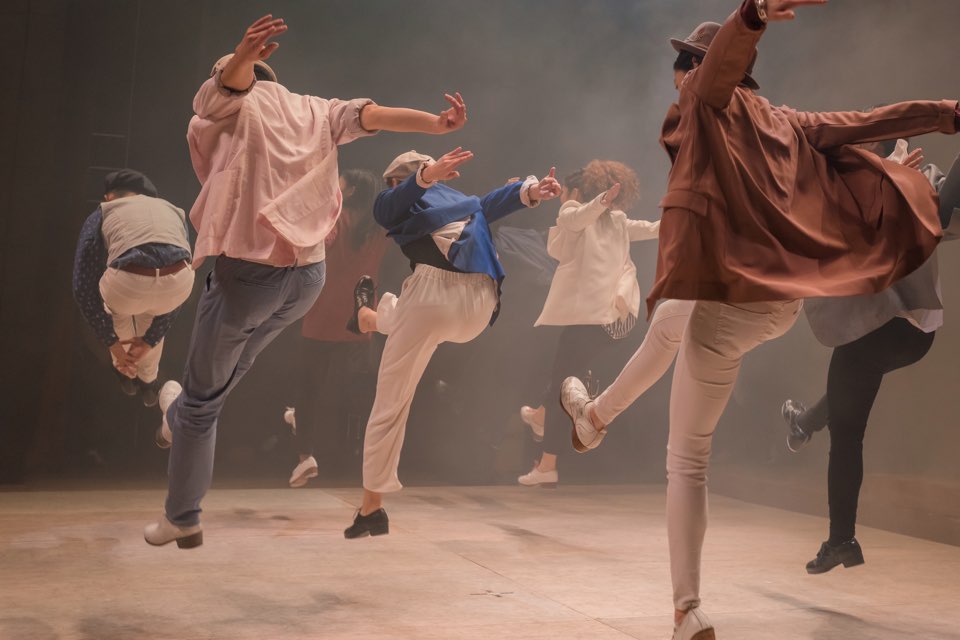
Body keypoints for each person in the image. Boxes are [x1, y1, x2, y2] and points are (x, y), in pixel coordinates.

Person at [557, 2, 960, 638]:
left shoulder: (703, 100)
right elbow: (870, 120)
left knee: (687, 458)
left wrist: (752, 15)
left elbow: (717, 70)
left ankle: (687, 611)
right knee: (671, 316)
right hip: (775, 304)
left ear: (693, 70)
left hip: (727, 305)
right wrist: (949, 112)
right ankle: (595, 417)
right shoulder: (788, 122)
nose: (677, 81)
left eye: (682, 68)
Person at [145, 14, 469, 549]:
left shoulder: (230, 101)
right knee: (225, 375)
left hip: (250, 275)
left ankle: (182, 514)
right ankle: (176, 416)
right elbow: (374, 115)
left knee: (203, 400)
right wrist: (436, 125)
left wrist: (239, 55)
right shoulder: (315, 109)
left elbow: (224, 91)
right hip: (307, 279)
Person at [343, 148, 561, 539]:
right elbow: (396, 205)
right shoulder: (405, 202)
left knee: (390, 402)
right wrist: (530, 190)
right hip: (477, 306)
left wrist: (530, 190)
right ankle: (372, 318)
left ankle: (371, 507)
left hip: (439, 300)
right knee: (405, 324)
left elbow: (492, 201)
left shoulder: (458, 203)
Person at [781, 145, 960, 574]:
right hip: (916, 334)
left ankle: (841, 540)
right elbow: (945, 212)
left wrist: (897, 180)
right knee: (848, 393)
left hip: (874, 327)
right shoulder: (910, 181)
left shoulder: (881, 185)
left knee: (847, 434)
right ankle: (805, 422)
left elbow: (942, 211)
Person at [516, 161, 659, 487]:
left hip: (603, 317)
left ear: (577, 191)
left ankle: (547, 463)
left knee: (562, 384)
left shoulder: (598, 216)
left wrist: (686, 218)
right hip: (611, 318)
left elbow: (647, 228)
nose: (562, 198)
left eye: (566, 192)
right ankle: (541, 419)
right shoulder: (589, 216)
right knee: (563, 378)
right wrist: (603, 202)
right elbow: (582, 219)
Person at [285, 168, 389, 487]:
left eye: (340, 182)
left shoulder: (334, 220)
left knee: (309, 388)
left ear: (351, 190)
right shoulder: (379, 228)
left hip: (322, 316)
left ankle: (305, 456)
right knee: (360, 394)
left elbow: (312, 247)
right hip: (360, 319)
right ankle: (370, 459)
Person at [72, 169, 194, 407]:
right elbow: (181, 265)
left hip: (127, 286)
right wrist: (149, 341)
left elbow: (82, 285)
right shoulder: (173, 210)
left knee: (117, 309)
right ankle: (149, 382)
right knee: (156, 309)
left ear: (109, 197)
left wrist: (112, 343)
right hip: (179, 283)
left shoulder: (104, 211)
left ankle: (125, 370)